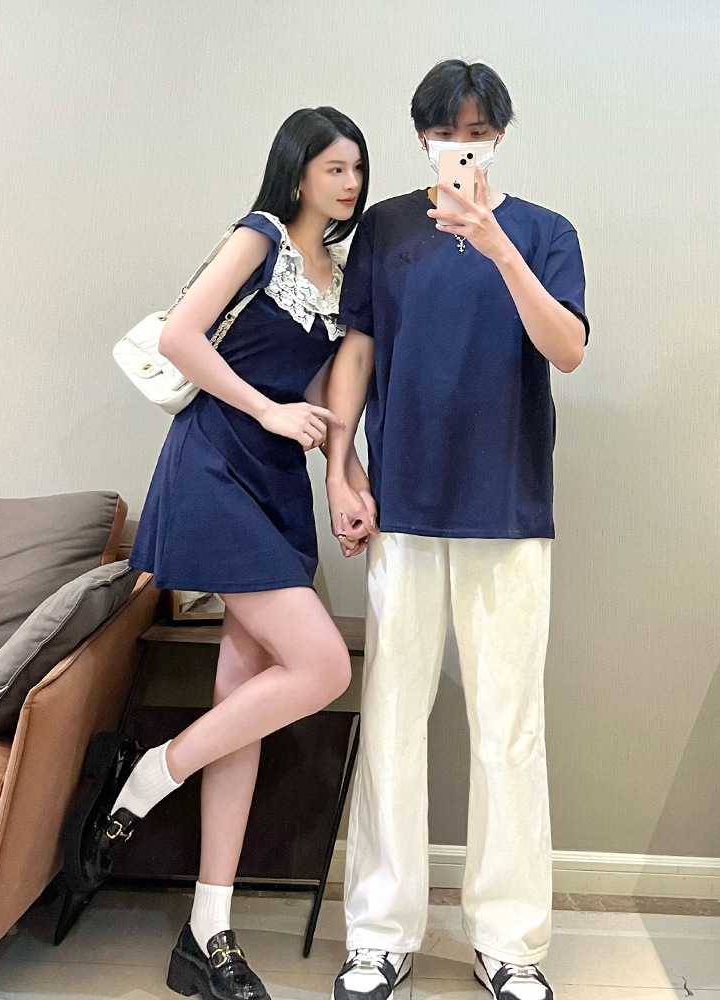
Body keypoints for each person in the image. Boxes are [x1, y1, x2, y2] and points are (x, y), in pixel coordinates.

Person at [64, 106, 370, 1000]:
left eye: (357, 169)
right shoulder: (259, 236)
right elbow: (179, 337)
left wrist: (345, 481)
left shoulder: (339, 276)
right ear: (298, 171)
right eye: (334, 168)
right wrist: (268, 409)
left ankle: (207, 933)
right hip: (214, 463)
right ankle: (148, 775)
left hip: (274, 481)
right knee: (321, 667)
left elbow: (327, 398)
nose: (350, 184)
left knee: (245, 702)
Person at [325, 61, 589, 1000]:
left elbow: (567, 349)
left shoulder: (546, 232)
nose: (460, 146)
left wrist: (496, 244)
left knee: (509, 729)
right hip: (403, 503)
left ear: (500, 137)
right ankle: (378, 934)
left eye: (476, 132)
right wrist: (340, 469)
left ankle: (509, 941)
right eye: (445, 131)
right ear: (422, 136)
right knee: (392, 720)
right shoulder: (386, 229)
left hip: (508, 506)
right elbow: (357, 348)